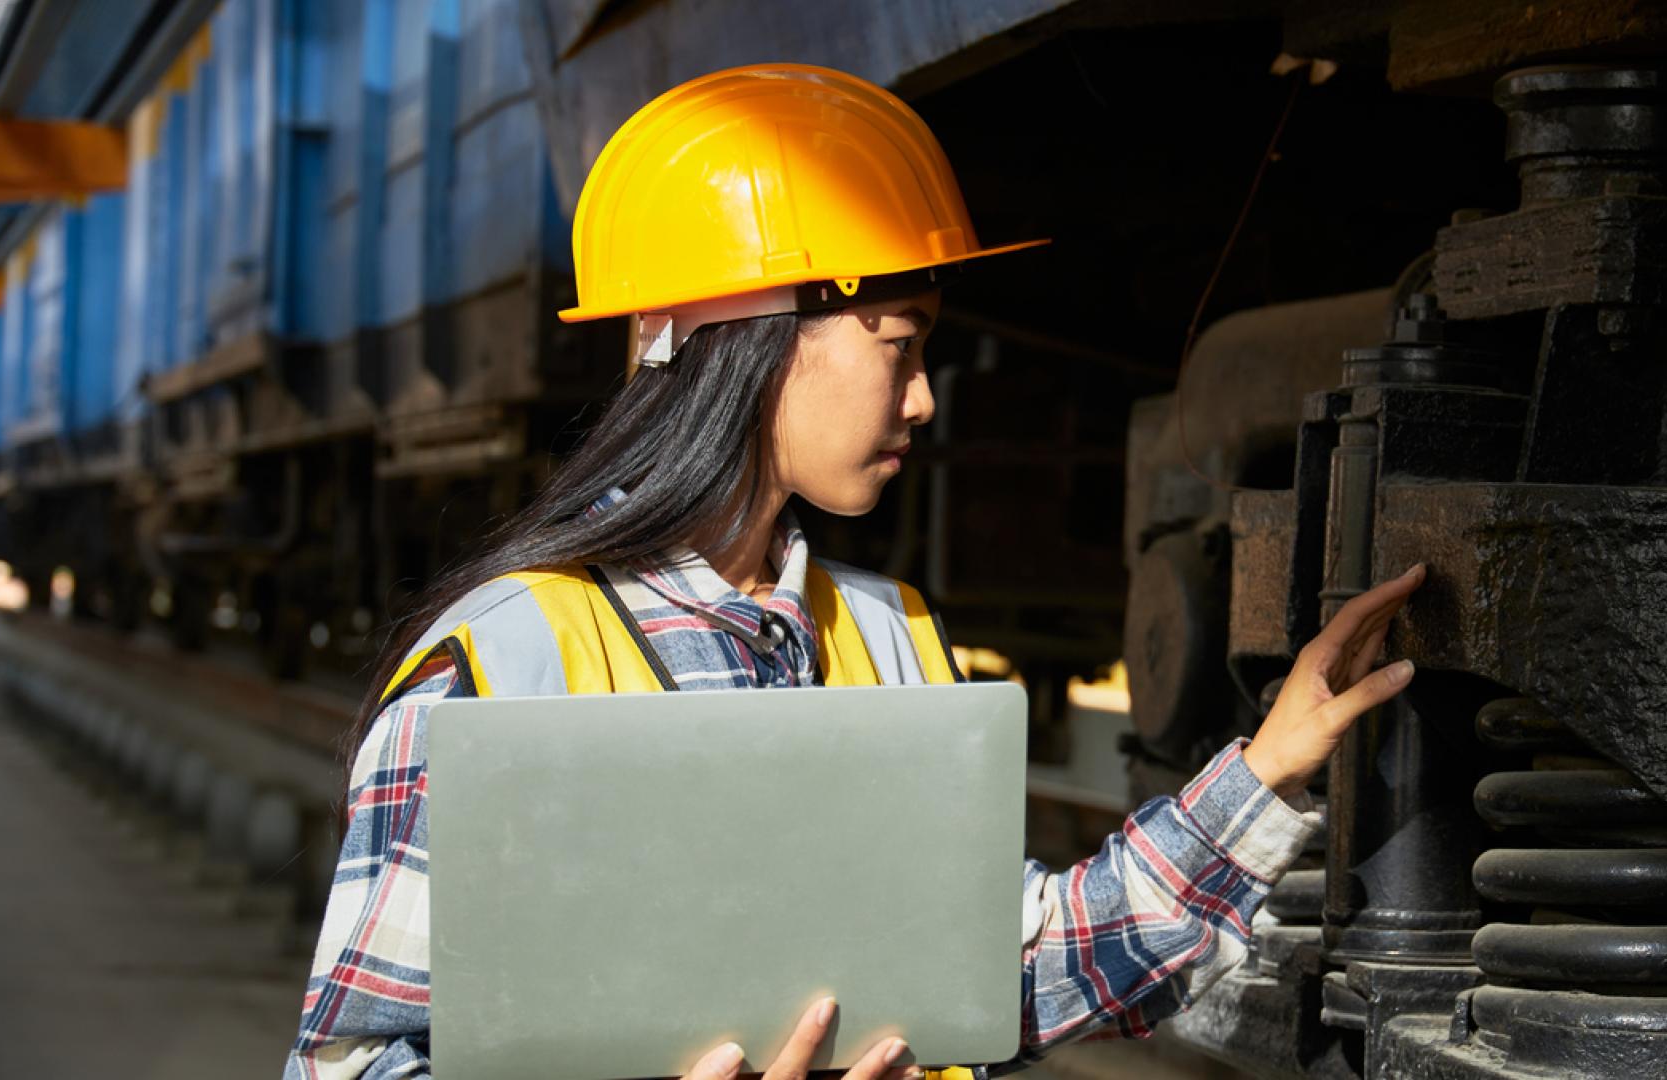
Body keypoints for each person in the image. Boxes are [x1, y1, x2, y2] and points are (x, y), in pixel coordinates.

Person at [283, 63, 1423, 1080]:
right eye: (898, 344)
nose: (923, 396)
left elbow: (998, 977)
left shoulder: (882, 632)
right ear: (753, 341)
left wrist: (1268, 768)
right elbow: (354, 1067)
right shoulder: (503, 659)